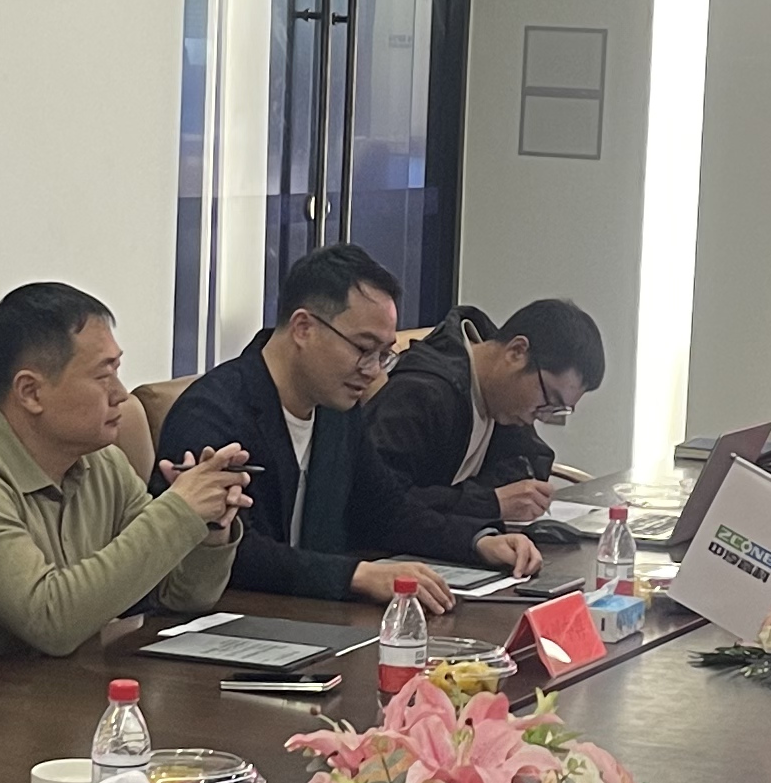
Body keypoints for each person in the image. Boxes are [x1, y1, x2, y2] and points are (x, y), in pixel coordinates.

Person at [0, 281, 254, 677]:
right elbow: (51, 621)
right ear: (31, 392)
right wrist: (177, 510)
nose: (121, 394)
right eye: (103, 376)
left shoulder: (102, 463)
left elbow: (182, 595)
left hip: (47, 692)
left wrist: (207, 525)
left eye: (117, 371)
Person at [158, 243, 542, 603]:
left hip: (308, 612)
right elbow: (235, 552)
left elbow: (386, 509)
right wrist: (356, 576)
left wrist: (476, 542)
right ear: (304, 328)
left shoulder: (336, 409)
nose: (373, 371)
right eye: (363, 349)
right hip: (230, 616)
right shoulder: (213, 415)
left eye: (383, 354)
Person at [358, 298, 607, 545]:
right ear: (516, 352)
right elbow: (377, 502)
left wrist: (490, 499)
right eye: (548, 398)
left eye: (557, 409)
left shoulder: (502, 399)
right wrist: (488, 502)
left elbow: (532, 462)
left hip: (450, 547)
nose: (542, 415)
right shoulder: (420, 394)